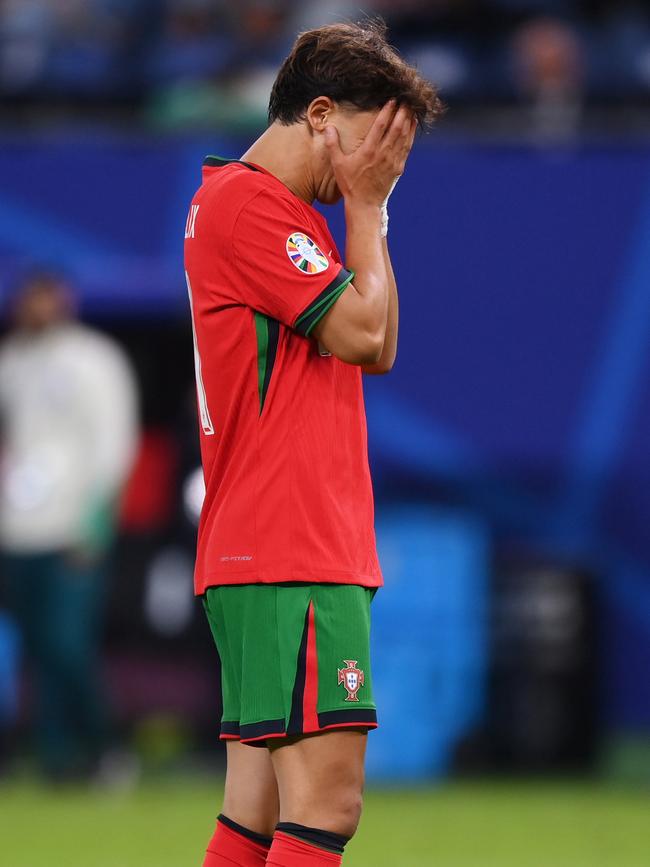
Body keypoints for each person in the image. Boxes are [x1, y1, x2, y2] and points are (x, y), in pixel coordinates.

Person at [184, 19, 441, 866]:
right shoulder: (252, 207)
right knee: (328, 804)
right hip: (290, 543)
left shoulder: (268, 212)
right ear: (322, 114)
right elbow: (369, 336)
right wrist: (368, 207)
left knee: (252, 815)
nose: (379, 167)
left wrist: (372, 211)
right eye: (374, 146)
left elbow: (382, 340)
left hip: (269, 546)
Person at [0, 272, 139, 781]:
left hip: (72, 526)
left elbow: (114, 441)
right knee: (34, 649)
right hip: (17, 529)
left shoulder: (93, 358)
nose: (33, 307)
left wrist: (98, 521)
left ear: (62, 299)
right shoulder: (12, 360)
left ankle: (107, 748)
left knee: (67, 644)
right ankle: (54, 759)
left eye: (43, 297)